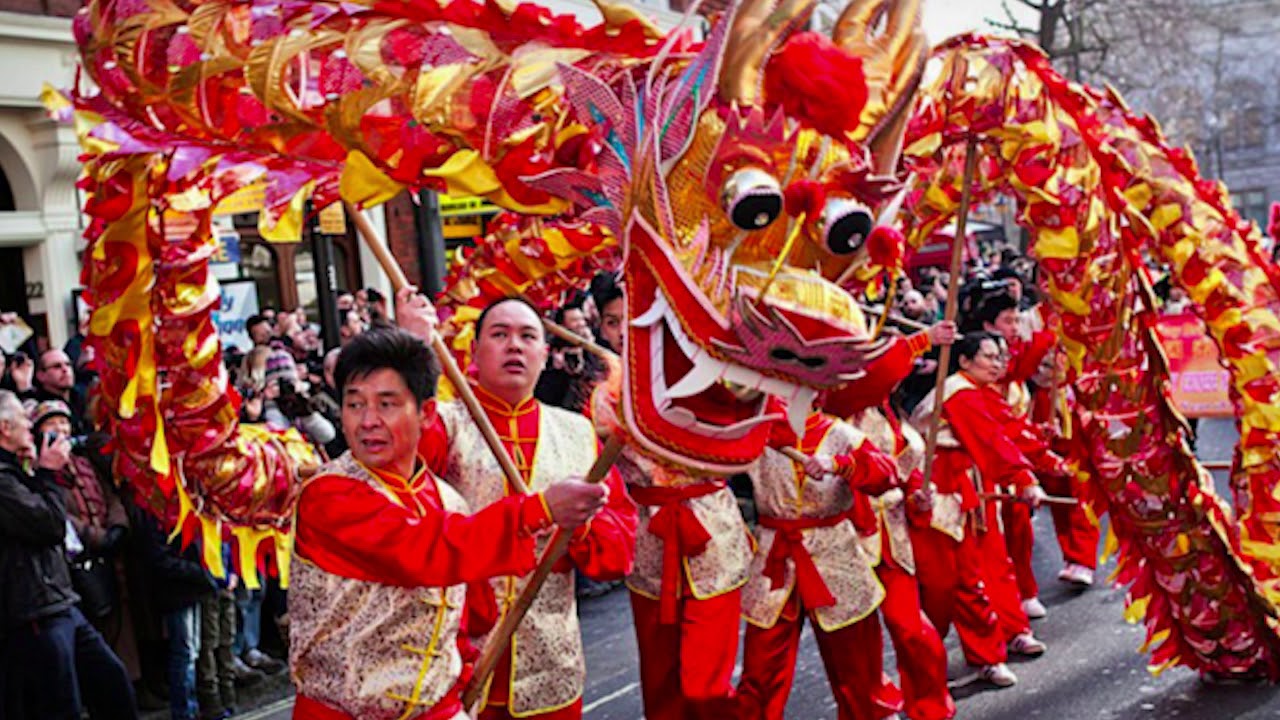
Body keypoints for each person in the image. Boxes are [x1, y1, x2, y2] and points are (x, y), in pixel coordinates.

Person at [288, 322, 609, 720]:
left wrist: (457, 678)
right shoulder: (329, 494)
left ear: (425, 414)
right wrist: (538, 510)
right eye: (355, 404)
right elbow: (420, 549)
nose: (367, 420)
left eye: (386, 403)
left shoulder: (447, 500)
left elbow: (471, 617)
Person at [424, 296, 636, 720]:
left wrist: (581, 526)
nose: (514, 346)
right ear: (473, 355)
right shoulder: (441, 425)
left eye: (528, 337)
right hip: (456, 657)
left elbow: (620, 549)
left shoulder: (577, 433)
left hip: (550, 659)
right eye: (499, 335)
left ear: (545, 355)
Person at [591, 361, 753, 720]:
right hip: (650, 543)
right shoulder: (607, 396)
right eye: (616, 323)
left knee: (704, 687)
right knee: (660, 685)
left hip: (712, 539)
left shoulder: (716, 380)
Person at [736, 407, 903, 720]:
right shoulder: (757, 430)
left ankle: (870, 712)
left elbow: (886, 473)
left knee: (854, 657)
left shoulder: (841, 433)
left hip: (834, 552)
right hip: (776, 556)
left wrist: (842, 465)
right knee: (761, 663)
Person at [824, 327, 957, 720]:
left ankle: (931, 707)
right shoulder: (836, 405)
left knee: (911, 628)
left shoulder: (886, 413)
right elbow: (873, 376)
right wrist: (922, 338)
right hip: (845, 534)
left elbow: (908, 471)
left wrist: (921, 496)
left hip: (891, 533)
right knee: (853, 641)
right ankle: (871, 710)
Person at [908, 332, 1049, 688]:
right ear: (964, 361)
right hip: (934, 491)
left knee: (976, 572)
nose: (997, 362)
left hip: (963, 486)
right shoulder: (959, 392)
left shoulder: (974, 389)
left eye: (999, 356)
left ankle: (989, 652)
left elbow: (1005, 430)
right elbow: (991, 439)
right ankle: (924, 659)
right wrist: (1023, 477)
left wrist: (1042, 458)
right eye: (988, 356)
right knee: (941, 584)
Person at [0, 389, 138, 719]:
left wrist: (43, 469)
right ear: (4, 427)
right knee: (62, 704)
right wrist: (46, 472)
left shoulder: (21, 470)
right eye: (23, 420)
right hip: (34, 610)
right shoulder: (4, 481)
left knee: (112, 682)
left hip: (59, 601)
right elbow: (49, 524)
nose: (31, 429)